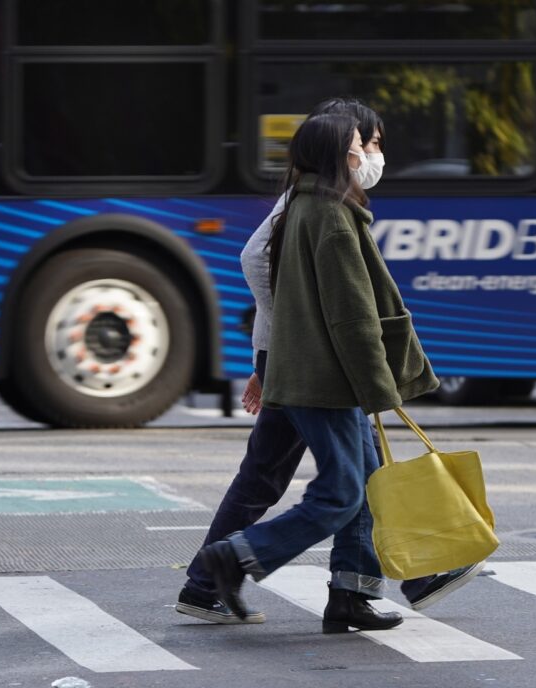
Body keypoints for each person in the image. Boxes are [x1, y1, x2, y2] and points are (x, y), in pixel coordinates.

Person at [177, 100, 484, 628]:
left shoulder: (310, 205)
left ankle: (351, 594)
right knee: (341, 490)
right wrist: (374, 386)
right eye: (369, 144)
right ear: (342, 152)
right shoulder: (330, 217)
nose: (375, 154)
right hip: (322, 374)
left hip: (307, 367)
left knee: (352, 482)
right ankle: (233, 559)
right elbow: (353, 317)